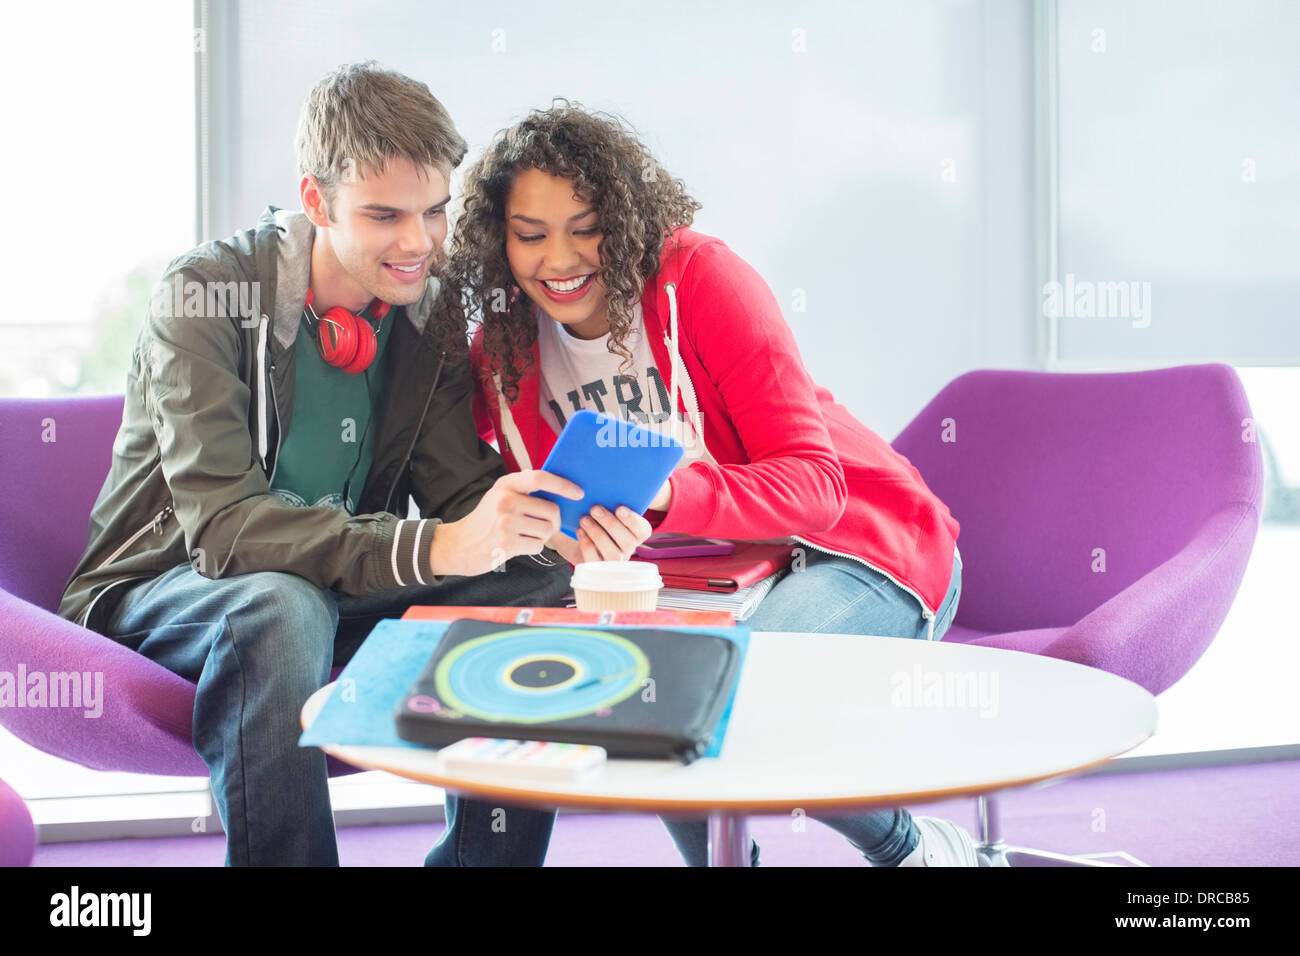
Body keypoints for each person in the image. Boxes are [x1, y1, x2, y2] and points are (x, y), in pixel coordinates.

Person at [56, 66, 649, 866]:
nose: (418, 242)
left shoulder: (425, 307)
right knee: (280, 604)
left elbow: (458, 494)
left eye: (434, 210)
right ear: (314, 200)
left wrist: (549, 528)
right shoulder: (203, 295)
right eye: (384, 215)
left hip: (330, 590)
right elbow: (225, 531)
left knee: (535, 581)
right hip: (170, 589)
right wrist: (435, 546)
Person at [453, 101, 976, 866]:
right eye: (530, 235)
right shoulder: (501, 347)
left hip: (857, 549)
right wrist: (560, 533)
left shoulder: (700, 280)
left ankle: (910, 847)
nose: (558, 260)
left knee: (721, 691)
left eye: (586, 226)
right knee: (655, 700)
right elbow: (512, 499)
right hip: (703, 582)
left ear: (626, 220)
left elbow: (816, 484)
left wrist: (670, 494)